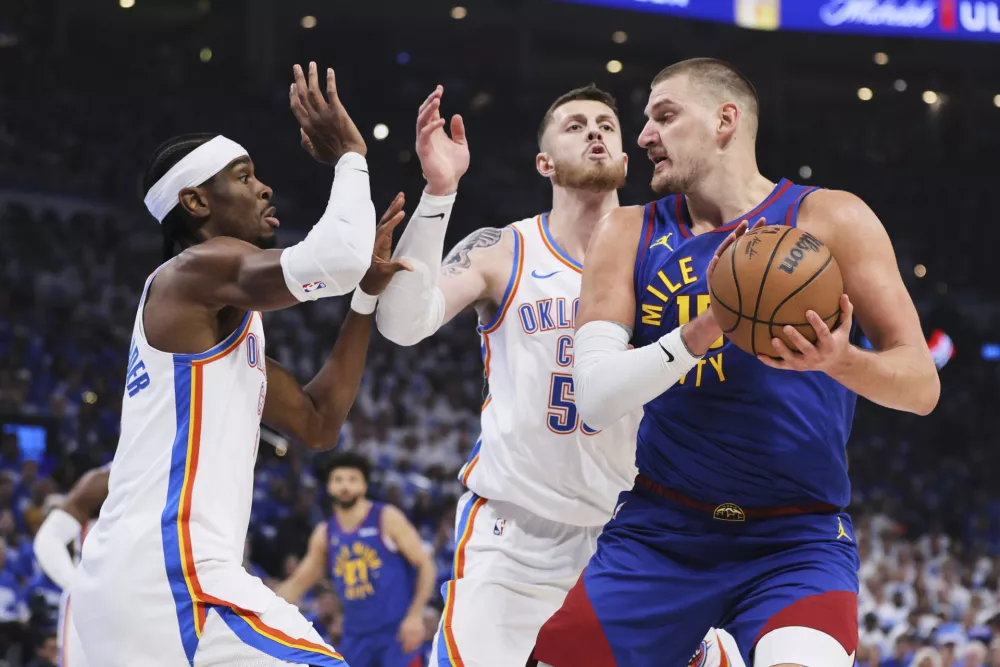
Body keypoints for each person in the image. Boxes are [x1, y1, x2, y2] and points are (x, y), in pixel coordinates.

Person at [530, 58, 940, 667]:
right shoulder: (626, 231)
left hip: (795, 540)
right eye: (644, 121)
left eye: (664, 116)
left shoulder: (830, 218)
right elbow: (594, 399)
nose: (643, 136)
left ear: (726, 120)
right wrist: (699, 331)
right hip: (663, 532)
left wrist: (839, 359)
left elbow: (921, 386)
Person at [69, 61, 410, 667]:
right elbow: (333, 257)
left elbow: (317, 422)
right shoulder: (192, 271)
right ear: (195, 201)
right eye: (244, 176)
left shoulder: (217, 322)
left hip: (136, 580)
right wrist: (351, 155)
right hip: (171, 570)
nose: (265, 188)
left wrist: (365, 299)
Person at [375, 84, 730, 666]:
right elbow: (401, 323)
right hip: (514, 538)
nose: (594, 131)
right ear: (544, 163)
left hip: (633, 538)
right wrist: (440, 192)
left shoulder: (670, 260)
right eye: (574, 125)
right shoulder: (505, 251)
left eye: (606, 126)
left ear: (624, 158)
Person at [276, 453, 436, 667]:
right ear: (329, 486)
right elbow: (298, 583)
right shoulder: (325, 533)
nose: (345, 486)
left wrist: (415, 616)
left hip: (396, 633)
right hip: (355, 637)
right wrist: (262, 611)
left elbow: (426, 566)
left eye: (352, 480)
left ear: (363, 486)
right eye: (339, 480)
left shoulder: (386, 518)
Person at [34, 464, 110, 667]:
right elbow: (48, 540)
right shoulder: (106, 479)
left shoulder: (183, 477)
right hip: (91, 602)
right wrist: (76, 583)